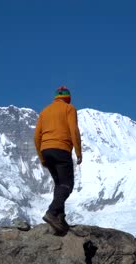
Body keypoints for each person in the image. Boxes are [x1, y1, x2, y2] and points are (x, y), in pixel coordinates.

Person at [34, 86, 82, 234]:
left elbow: (36, 136)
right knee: (67, 184)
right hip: (61, 149)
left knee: (59, 185)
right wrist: (78, 152)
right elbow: (73, 130)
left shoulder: (44, 111)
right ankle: (52, 212)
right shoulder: (69, 109)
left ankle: (59, 218)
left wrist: (42, 158)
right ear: (68, 98)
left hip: (46, 150)